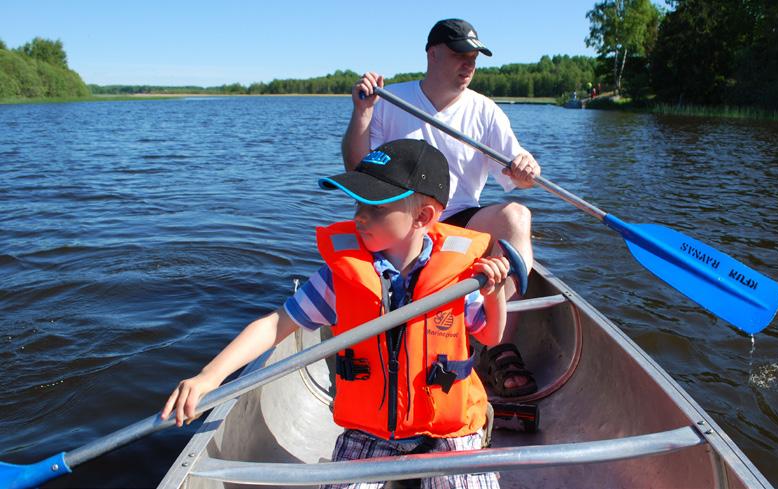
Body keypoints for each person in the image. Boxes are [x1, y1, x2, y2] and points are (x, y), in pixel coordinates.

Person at [161, 139, 511, 489]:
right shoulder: (340, 278)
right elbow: (275, 326)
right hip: (373, 429)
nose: (358, 216)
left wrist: (493, 295)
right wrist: (210, 376)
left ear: (423, 217)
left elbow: (491, 335)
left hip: (449, 427)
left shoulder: (460, 277)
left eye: (375, 207)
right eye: (358, 202)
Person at [341, 18, 539, 397]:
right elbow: (356, 168)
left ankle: (490, 327)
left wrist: (527, 167)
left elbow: (519, 174)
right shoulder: (389, 100)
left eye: (474, 58)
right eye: (459, 55)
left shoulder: (486, 111)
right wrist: (362, 113)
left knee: (518, 216)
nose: (469, 64)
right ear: (432, 54)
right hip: (405, 222)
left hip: (460, 220)